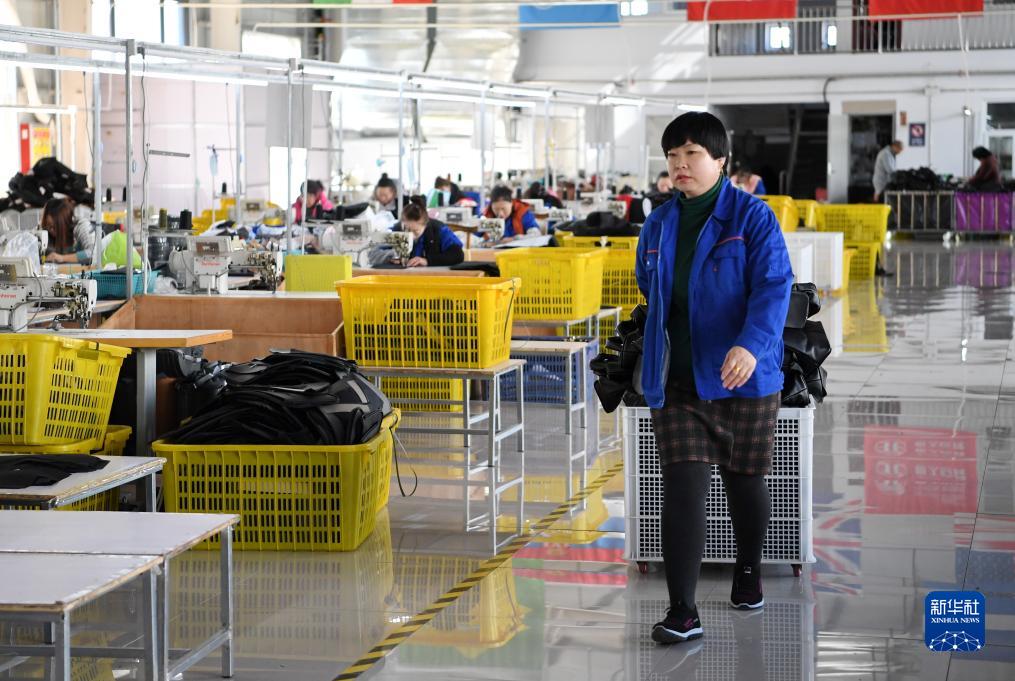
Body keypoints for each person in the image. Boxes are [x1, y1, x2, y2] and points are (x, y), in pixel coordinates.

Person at [634, 111, 793, 645]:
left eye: (692, 154)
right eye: (672, 155)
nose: (680, 164)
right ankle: (682, 610)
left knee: (745, 481)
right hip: (678, 378)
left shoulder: (752, 217)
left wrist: (750, 344)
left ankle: (748, 569)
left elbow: (774, 285)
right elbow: (648, 286)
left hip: (743, 375)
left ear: (721, 160)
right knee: (683, 485)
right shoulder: (658, 223)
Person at [380, 199, 463, 267]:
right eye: (407, 230)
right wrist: (390, 257)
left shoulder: (439, 230)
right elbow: (379, 251)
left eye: (415, 231)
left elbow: (457, 255)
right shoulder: (396, 230)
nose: (411, 236)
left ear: (426, 225)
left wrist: (427, 261)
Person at [41, 197, 96, 264]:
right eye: (48, 226)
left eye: (54, 227)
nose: (51, 230)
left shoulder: (81, 226)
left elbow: (93, 253)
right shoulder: (45, 232)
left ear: (63, 223)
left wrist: (62, 258)